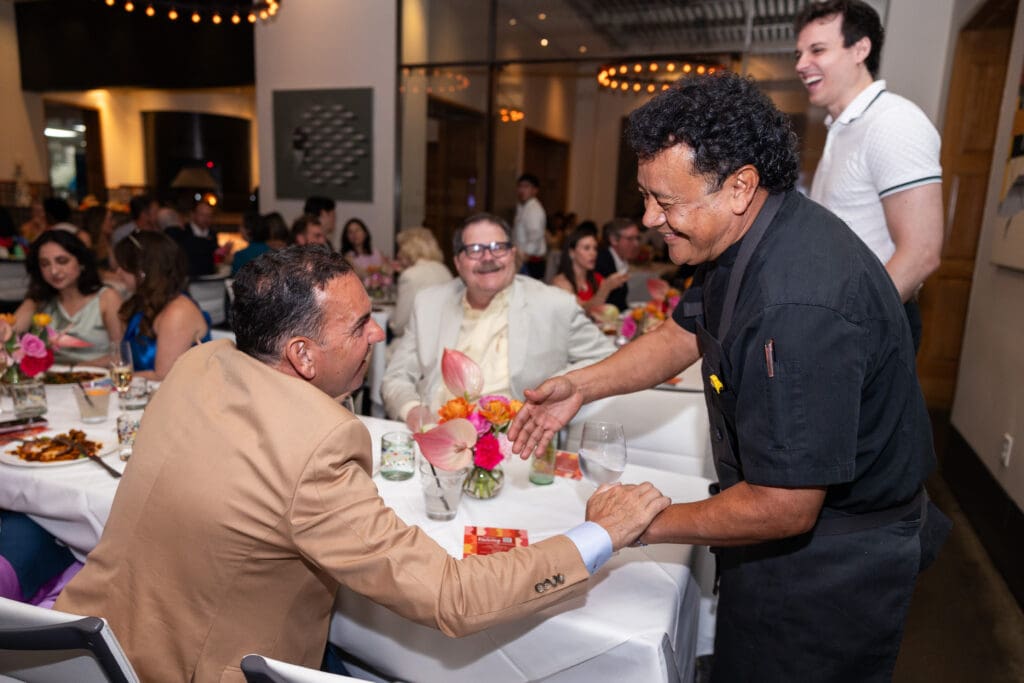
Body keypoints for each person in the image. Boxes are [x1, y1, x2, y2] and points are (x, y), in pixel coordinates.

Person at [509, 72, 949, 681]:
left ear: (740, 186)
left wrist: (639, 527)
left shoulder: (797, 304)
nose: (649, 218)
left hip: (833, 567)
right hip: (785, 542)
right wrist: (582, 385)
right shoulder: (744, 238)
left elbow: (784, 505)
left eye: (666, 202)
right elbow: (683, 333)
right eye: (645, 196)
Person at [54, 246, 669, 681]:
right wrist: (598, 534)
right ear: (301, 354)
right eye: (358, 326)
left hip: (91, 647)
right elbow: (453, 597)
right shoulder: (320, 442)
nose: (377, 336)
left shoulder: (198, 364)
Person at [795, 0, 943, 351]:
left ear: (861, 48)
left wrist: (846, 327)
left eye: (817, 50)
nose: (801, 64)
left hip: (869, 324)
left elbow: (922, 252)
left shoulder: (892, 122)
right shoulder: (843, 127)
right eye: (798, 53)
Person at [382, 213, 614, 422]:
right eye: (474, 250)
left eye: (498, 247)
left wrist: (564, 383)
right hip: (436, 438)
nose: (487, 257)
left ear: (513, 254)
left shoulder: (554, 305)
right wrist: (412, 411)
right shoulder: (429, 304)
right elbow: (396, 376)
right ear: (457, 262)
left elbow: (607, 359)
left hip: (515, 447)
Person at [113, 231, 211, 380]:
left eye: (123, 267)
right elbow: (122, 360)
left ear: (143, 271)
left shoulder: (178, 312)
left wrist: (110, 379)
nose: (117, 273)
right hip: (139, 393)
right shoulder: (142, 304)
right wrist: (82, 367)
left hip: (175, 397)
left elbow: (164, 377)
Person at [13, 230, 122, 364]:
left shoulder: (107, 298)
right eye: (45, 264)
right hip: (50, 381)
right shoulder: (39, 300)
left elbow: (121, 354)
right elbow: (8, 333)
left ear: (81, 262)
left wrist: (75, 371)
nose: (54, 271)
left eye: (62, 261)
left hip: (97, 380)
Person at [390, 226, 453, 338]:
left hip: (417, 341)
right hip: (443, 337)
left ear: (408, 250)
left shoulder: (411, 275)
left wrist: (388, 321)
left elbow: (399, 326)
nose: (398, 255)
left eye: (400, 249)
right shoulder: (443, 269)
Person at [551, 227, 629, 314]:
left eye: (595, 248)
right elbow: (581, 312)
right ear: (571, 253)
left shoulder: (597, 278)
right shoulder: (560, 283)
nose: (593, 253)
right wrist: (606, 288)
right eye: (587, 248)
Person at [594, 217, 641, 311]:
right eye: (630, 239)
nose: (636, 244)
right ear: (614, 240)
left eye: (637, 238)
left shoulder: (620, 259)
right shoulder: (600, 263)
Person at [166, 200, 219, 279]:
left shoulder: (212, 233)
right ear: (192, 215)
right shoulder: (181, 232)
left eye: (209, 216)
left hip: (208, 279)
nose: (206, 219)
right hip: (187, 279)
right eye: (202, 215)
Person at [513, 173, 547, 279]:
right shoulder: (523, 207)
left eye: (526, 186)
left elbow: (535, 236)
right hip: (523, 259)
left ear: (535, 190)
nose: (522, 190)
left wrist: (523, 258)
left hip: (530, 261)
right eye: (520, 186)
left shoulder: (534, 209)